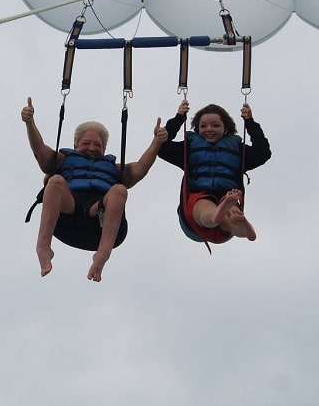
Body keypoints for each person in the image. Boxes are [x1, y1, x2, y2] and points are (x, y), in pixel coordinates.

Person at [21, 96, 168, 282]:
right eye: (86, 143)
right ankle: (43, 248)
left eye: (98, 145)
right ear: (75, 146)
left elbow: (140, 168)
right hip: (68, 211)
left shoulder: (115, 169)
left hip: (98, 216)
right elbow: (39, 150)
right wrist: (30, 123)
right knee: (55, 181)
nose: (92, 148)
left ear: (104, 149)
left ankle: (102, 256)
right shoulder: (62, 160)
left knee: (119, 190)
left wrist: (156, 142)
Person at [158, 100, 271, 244]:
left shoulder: (238, 150)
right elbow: (161, 147)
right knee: (208, 206)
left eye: (215, 125)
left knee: (229, 212)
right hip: (197, 209)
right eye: (203, 126)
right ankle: (219, 216)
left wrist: (250, 122)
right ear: (197, 129)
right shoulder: (189, 149)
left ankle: (239, 226)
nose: (209, 129)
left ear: (225, 129)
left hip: (227, 197)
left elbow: (263, 152)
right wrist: (179, 118)